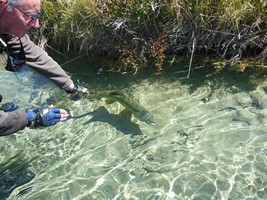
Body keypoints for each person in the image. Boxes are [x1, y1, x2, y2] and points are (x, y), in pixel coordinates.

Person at [0, 0, 88, 136]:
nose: (36, 25)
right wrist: (30, 118)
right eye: (30, 16)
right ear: (3, 5)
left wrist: (70, 86)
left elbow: (33, 54)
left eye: (37, 17)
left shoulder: (6, 29)